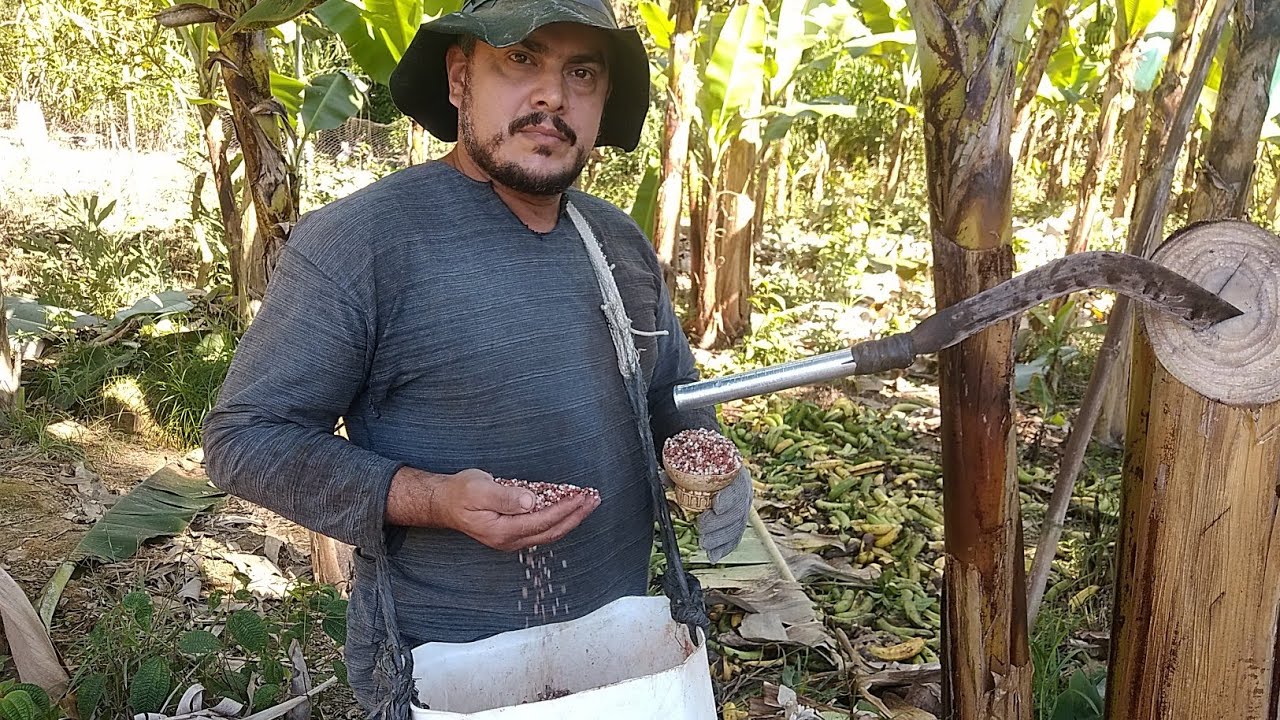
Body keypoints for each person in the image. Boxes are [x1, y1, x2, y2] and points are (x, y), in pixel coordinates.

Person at [202, 0, 753, 712]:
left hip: (618, 650)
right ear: (460, 78)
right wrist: (430, 498)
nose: (553, 96)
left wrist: (707, 454)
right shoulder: (364, 241)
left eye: (582, 73)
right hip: (446, 669)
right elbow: (244, 440)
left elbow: (671, 391)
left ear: (603, 100)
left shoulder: (616, 240)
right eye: (520, 59)